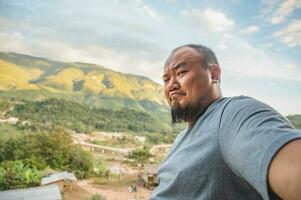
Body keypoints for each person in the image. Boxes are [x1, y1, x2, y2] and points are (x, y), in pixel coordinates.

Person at [151, 44, 301, 200]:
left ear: (214, 74)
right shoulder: (181, 137)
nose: (171, 85)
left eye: (181, 72)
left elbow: (293, 172)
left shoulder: (231, 115)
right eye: (166, 79)